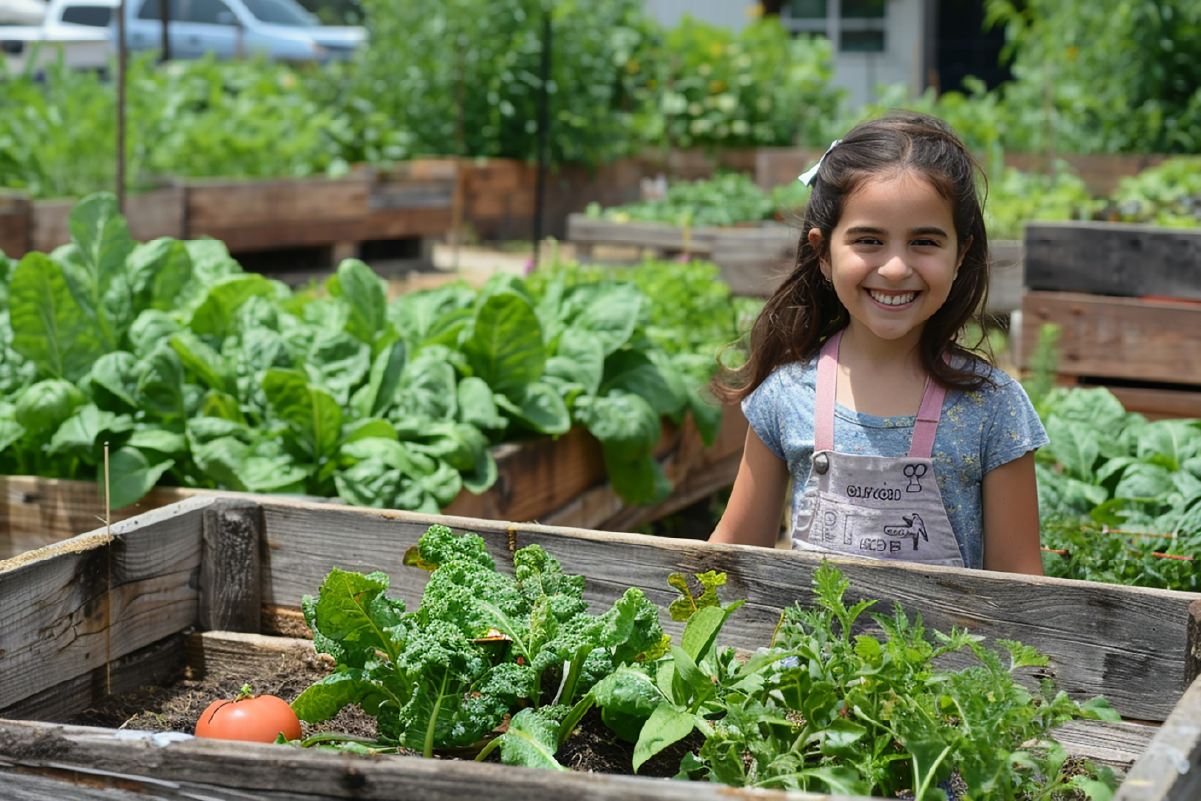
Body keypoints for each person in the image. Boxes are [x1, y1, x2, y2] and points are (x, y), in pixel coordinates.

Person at [709, 110, 1047, 575]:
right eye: (868, 240)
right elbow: (729, 564)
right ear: (823, 253)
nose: (895, 268)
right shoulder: (785, 397)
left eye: (924, 242)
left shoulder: (994, 408)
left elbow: (1020, 588)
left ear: (960, 254)